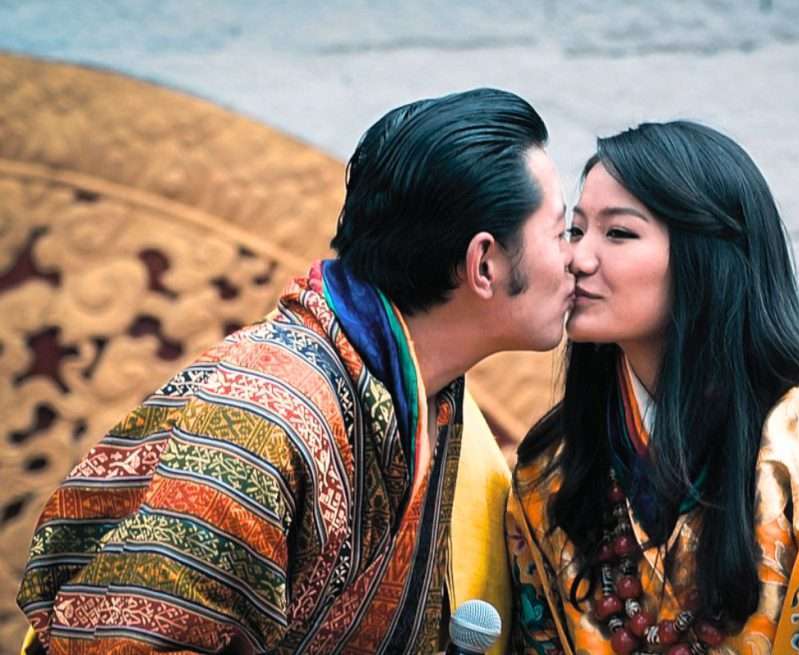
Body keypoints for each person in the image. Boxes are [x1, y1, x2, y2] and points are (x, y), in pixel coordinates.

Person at [18, 88, 575, 654]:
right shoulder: (259, 421)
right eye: (559, 233)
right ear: (484, 264)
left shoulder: (428, 398)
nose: (575, 257)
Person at [506, 121, 799, 654]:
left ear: (708, 260)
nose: (579, 259)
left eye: (619, 233)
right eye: (576, 231)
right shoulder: (552, 472)